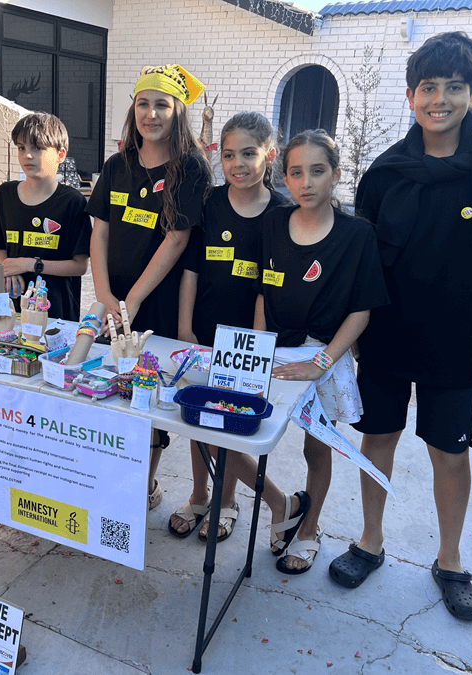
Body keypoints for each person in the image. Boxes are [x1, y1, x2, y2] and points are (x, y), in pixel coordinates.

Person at [328, 32, 472, 621]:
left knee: (450, 453)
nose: (439, 99)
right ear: (411, 94)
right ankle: (369, 542)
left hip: (456, 338)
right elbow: (358, 259)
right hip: (386, 334)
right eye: (428, 87)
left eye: (454, 87)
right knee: (379, 440)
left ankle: (449, 560)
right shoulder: (386, 172)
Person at [253, 129, 388, 575]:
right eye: (296, 173)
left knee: (317, 449)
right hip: (271, 351)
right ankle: (281, 505)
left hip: (322, 358)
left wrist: (321, 363)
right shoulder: (272, 223)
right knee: (235, 436)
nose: (306, 182)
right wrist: (255, 350)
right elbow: (261, 294)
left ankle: (309, 529)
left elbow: (361, 311)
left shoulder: (357, 236)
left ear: (336, 175)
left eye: (317, 171)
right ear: (284, 179)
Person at [86, 64, 211, 510]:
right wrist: (104, 297)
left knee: (147, 397)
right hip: (113, 302)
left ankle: (146, 483)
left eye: (162, 104)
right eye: (143, 103)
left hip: (153, 304)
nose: (151, 114)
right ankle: (121, 472)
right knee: (108, 389)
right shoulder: (116, 166)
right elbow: (99, 232)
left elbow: (176, 240)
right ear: (132, 108)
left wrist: (132, 300)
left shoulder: (190, 168)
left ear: (178, 112)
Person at [169, 111, 289, 541]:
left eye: (249, 154)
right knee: (195, 419)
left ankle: (228, 501)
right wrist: (186, 330)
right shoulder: (211, 204)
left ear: (269, 155)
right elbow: (191, 271)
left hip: (247, 340)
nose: (238, 163)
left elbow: (267, 289)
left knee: (228, 425)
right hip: (202, 331)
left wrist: (253, 348)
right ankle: (200, 495)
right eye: (229, 154)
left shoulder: (282, 212)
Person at [0, 113, 91, 321]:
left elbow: (80, 265)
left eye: (37, 148)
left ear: (60, 155)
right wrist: (10, 266)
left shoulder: (73, 202)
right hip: (12, 310)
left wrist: (29, 264)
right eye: (21, 148)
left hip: (57, 314)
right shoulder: (4, 195)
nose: (27, 155)